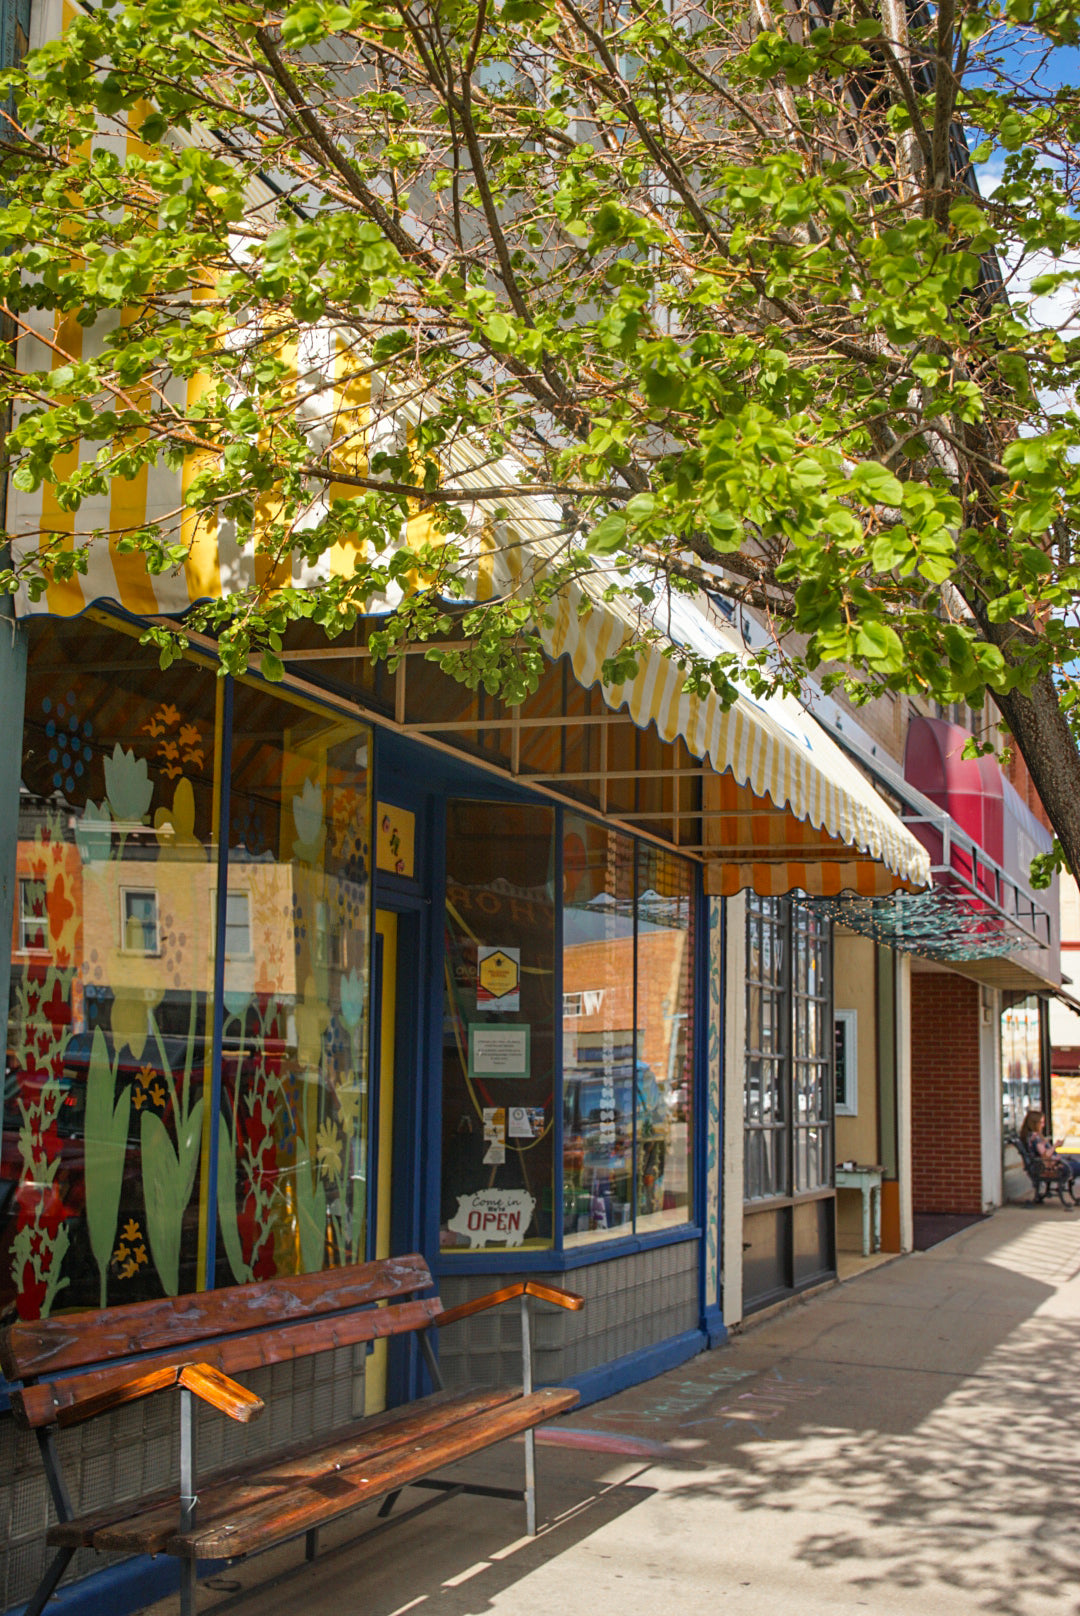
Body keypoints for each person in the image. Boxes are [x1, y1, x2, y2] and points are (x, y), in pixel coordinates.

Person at [1019, 1109, 1080, 1183]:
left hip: (1047, 1166)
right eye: (1041, 1123)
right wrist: (1055, 1146)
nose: (1043, 1125)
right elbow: (1045, 1155)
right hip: (1052, 1168)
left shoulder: (1030, 1137)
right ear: (1034, 1123)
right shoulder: (1035, 1137)